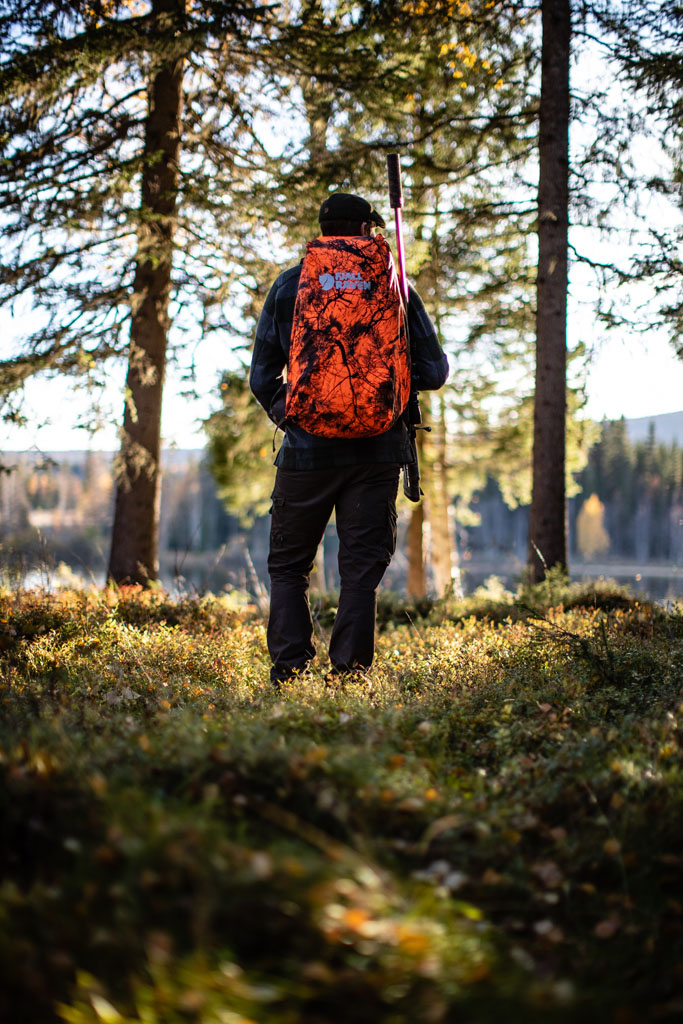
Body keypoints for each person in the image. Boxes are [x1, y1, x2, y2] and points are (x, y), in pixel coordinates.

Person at [250, 191, 448, 688]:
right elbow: (435, 370)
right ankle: (349, 678)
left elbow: (261, 376)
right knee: (360, 572)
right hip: (377, 450)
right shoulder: (393, 285)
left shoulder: (291, 284)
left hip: (305, 453)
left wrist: (292, 413)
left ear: (323, 230)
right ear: (365, 231)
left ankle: (289, 674)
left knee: (289, 567)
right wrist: (386, 386)